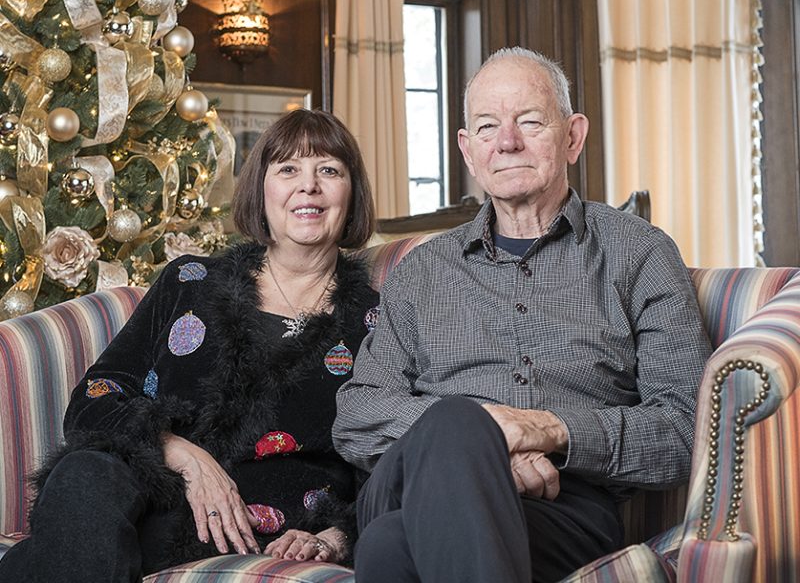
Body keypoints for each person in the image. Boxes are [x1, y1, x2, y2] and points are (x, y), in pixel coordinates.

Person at [333, 47, 713, 582]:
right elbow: (357, 414)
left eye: (529, 121)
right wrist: (482, 446)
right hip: (406, 481)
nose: (507, 141)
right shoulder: (422, 271)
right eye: (487, 126)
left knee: (389, 546)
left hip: (564, 509)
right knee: (455, 422)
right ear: (468, 150)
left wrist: (549, 430)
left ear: (573, 136)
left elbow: (685, 429)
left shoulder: (639, 254)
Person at [0, 109, 379, 582]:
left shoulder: (375, 321)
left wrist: (337, 535)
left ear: (352, 192)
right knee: (83, 474)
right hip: (138, 491)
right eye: (288, 169)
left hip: (259, 521)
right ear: (261, 190)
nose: (309, 186)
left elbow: (383, 459)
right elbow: (94, 399)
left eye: (329, 170)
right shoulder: (189, 280)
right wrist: (183, 454)